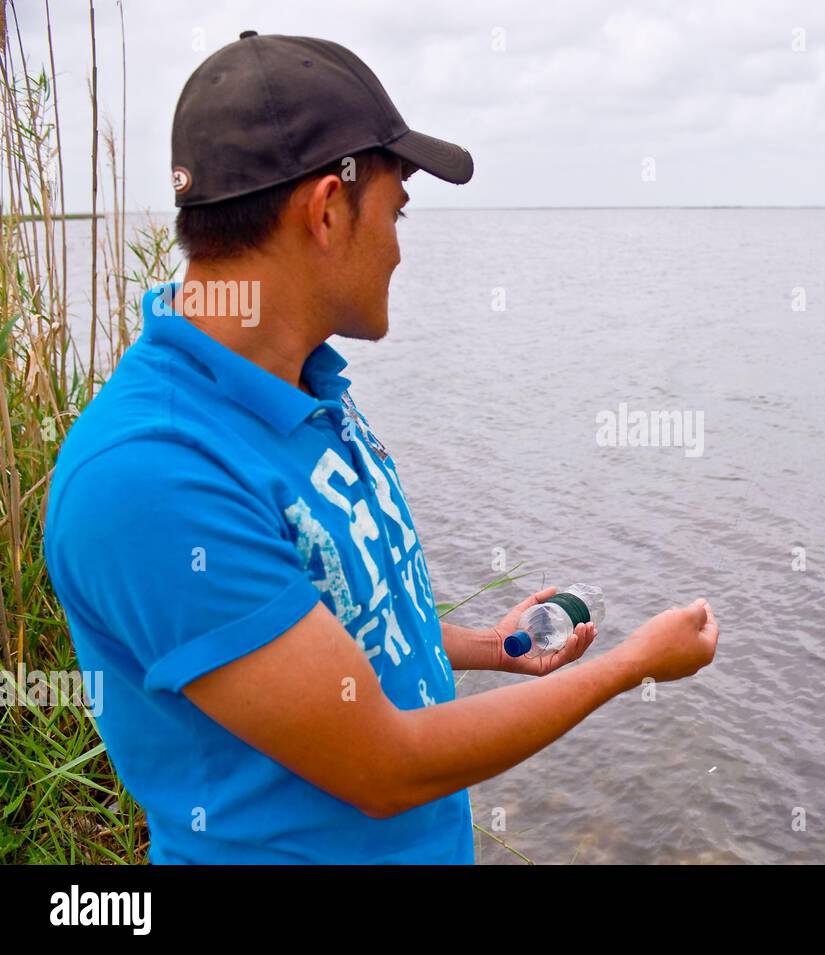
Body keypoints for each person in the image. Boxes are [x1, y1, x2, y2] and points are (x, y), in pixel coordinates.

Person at [42, 31, 719, 864]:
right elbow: (383, 765)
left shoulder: (302, 382)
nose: (400, 246)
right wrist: (628, 666)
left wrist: (486, 646)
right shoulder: (150, 475)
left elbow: (330, 617)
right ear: (327, 209)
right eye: (396, 212)